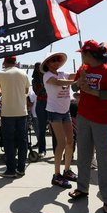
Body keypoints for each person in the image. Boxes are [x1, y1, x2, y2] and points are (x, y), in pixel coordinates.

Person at [68, 40, 107, 213]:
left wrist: (92, 91)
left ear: (89, 54)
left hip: (102, 120)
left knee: (104, 160)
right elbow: (74, 86)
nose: (81, 56)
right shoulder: (83, 69)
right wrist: (78, 83)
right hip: (83, 117)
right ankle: (82, 188)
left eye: (82, 53)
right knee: (83, 155)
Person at [40, 52, 78, 189]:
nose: (56, 62)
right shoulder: (47, 76)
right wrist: (75, 81)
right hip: (54, 112)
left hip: (65, 111)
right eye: (52, 60)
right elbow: (58, 83)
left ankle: (67, 170)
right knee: (61, 143)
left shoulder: (62, 73)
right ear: (47, 64)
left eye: (57, 60)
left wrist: (86, 68)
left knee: (70, 141)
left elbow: (75, 74)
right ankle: (56, 175)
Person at [0, 56, 31, 178]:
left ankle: (10, 169)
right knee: (23, 141)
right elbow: (26, 90)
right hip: (22, 111)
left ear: (4, 62)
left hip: (8, 112)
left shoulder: (1, 74)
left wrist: (5, 90)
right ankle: (21, 168)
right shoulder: (23, 73)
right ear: (15, 62)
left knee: (9, 141)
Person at [32, 63, 50, 156]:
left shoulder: (49, 76)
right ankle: (42, 150)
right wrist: (44, 84)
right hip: (41, 103)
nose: (39, 68)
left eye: (40, 66)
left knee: (54, 128)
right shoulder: (35, 80)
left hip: (51, 102)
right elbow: (37, 92)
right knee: (41, 128)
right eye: (37, 67)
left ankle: (56, 150)